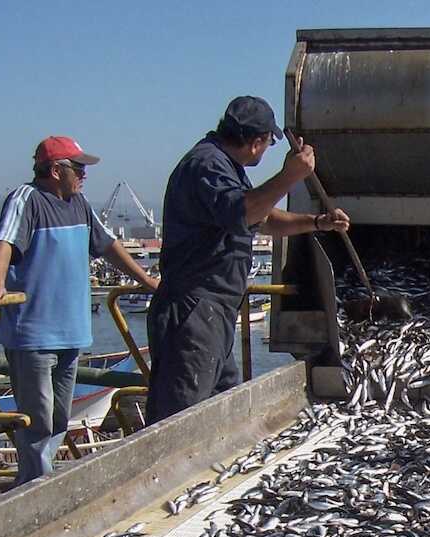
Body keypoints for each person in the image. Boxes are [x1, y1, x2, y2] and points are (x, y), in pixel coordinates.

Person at [146, 96, 349, 423]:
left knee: (221, 416)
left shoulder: (225, 167)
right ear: (256, 142)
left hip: (213, 313)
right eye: (269, 143)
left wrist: (316, 222)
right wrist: (290, 176)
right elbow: (246, 211)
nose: (268, 149)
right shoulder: (207, 165)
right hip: (193, 312)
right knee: (178, 422)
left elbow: (263, 217)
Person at [0, 136, 159, 485]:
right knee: (37, 418)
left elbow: (108, 245)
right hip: (33, 333)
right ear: (55, 169)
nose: (84, 175)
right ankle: (35, 488)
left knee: (60, 416)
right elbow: (4, 241)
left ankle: (38, 483)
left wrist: (146, 280)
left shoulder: (79, 205)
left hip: (71, 331)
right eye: (78, 168)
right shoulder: (27, 199)